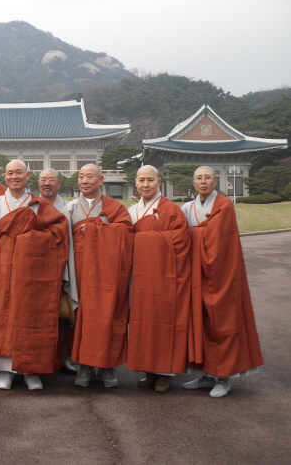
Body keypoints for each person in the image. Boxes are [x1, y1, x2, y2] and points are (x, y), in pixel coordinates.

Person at [0, 160, 69, 390]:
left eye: (19, 172)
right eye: (10, 173)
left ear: (27, 175)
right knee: (2, 317)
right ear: (5, 176)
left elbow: (59, 233)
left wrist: (30, 240)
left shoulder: (40, 205)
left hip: (33, 275)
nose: (14, 177)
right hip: (2, 270)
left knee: (32, 318)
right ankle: (5, 371)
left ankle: (32, 371)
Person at [180, 166, 263, 398]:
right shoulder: (187, 208)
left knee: (222, 323)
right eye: (199, 178)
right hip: (196, 273)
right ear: (193, 182)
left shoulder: (224, 205)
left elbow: (215, 238)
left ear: (215, 181)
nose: (203, 181)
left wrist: (193, 233)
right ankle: (206, 375)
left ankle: (224, 378)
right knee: (199, 322)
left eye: (207, 177)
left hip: (221, 274)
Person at [62, 163, 134, 388]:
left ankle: (106, 366)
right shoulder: (70, 208)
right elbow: (61, 241)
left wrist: (97, 228)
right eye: (81, 177)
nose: (84, 181)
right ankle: (84, 364)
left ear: (101, 180)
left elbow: (127, 232)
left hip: (106, 272)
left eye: (90, 177)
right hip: (78, 269)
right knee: (81, 316)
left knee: (106, 316)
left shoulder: (115, 207)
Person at [127, 165, 192, 392]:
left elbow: (181, 243)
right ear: (136, 183)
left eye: (150, 180)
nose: (145, 184)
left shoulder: (172, 210)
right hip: (139, 277)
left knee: (164, 322)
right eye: (141, 180)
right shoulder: (132, 211)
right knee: (143, 323)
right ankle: (148, 370)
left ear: (159, 182)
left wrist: (145, 239)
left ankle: (165, 373)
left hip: (165, 276)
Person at [38, 168, 77, 375]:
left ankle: (65, 358)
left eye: (51, 179)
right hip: (37, 268)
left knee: (64, 314)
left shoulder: (68, 208)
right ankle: (43, 357)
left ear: (59, 183)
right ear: (38, 183)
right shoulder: (30, 205)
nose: (47, 183)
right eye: (43, 179)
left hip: (63, 266)